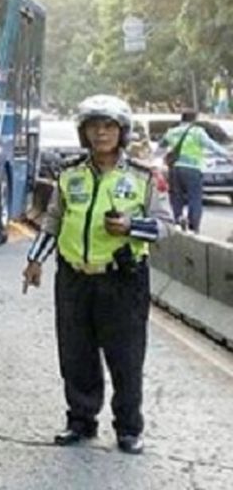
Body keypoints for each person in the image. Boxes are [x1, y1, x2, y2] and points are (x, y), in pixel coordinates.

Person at [22, 94, 173, 455]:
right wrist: (34, 260)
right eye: (93, 126)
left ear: (121, 132)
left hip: (122, 280)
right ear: (84, 132)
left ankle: (128, 428)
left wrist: (132, 226)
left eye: (108, 126)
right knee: (76, 353)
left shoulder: (143, 177)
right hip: (73, 278)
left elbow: (167, 226)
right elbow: (54, 221)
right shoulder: (70, 175)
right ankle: (80, 421)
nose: (100, 133)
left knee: (125, 357)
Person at [160, 110, 229, 233]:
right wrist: (228, 155)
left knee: (176, 197)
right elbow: (211, 146)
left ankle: (178, 219)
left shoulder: (172, 132)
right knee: (195, 198)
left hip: (175, 169)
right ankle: (193, 225)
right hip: (192, 169)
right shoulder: (197, 132)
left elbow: (161, 146)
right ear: (194, 119)